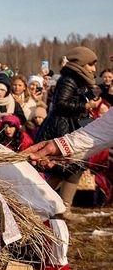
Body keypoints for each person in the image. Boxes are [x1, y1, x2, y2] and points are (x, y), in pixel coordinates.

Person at [36, 46, 98, 216]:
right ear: (82, 64)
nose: (94, 69)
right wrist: (84, 105)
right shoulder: (68, 80)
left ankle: (64, 207)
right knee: (61, 169)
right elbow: (60, 104)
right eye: (91, 64)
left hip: (73, 126)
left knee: (75, 167)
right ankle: (38, 202)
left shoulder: (79, 80)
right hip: (62, 128)